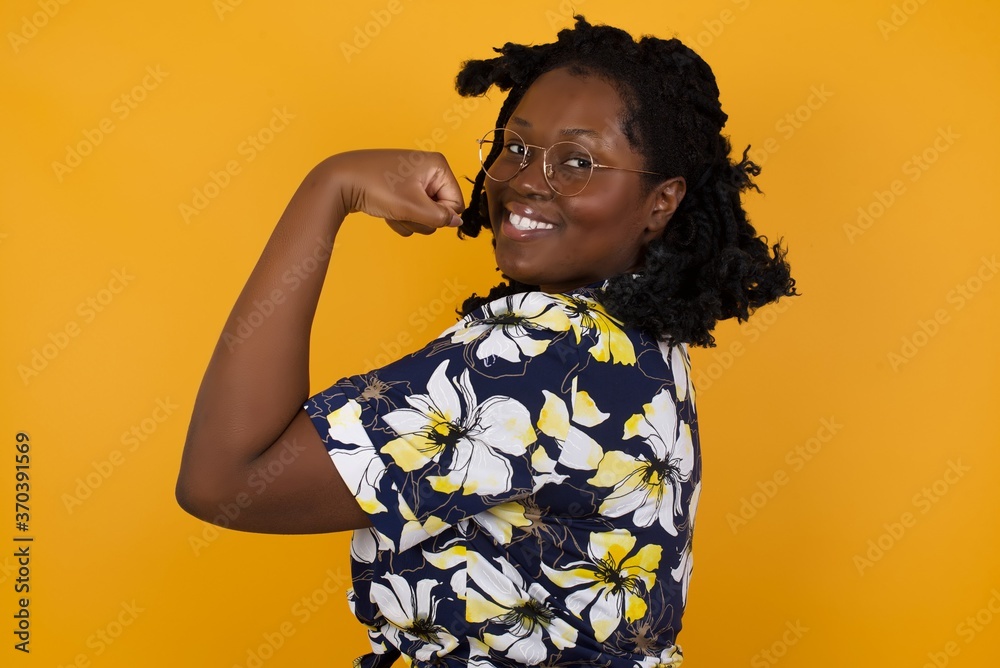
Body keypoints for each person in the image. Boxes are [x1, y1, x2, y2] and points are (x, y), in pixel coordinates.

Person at [176, 15, 798, 667]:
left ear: (661, 202)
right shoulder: (631, 333)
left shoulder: (541, 351)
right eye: (516, 147)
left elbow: (224, 479)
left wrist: (330, 188)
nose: (528, 180)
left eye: (578, 162)